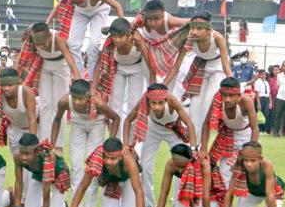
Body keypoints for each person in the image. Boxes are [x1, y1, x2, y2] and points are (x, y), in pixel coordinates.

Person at [123, 83, 198, 207]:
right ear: (148, 101)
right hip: (153, 129)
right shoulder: (143, 102)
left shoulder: (172, 101)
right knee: (145, 166)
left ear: (165, 100)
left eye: (160, 103)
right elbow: (128, 120)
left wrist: (193, 148)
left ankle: (179, 206)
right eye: (153, 103)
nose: (156, 107)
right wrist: (126, 145)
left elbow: (189, 124)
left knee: (183, 164)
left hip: (172, 129)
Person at [49, 79, 119, 207]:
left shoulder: (99, 103)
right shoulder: (64, 101)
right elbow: (57, 119)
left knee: (93, 166)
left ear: (89, 97)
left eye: (81, 99)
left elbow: (116, 118)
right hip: (78, 123)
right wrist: (53, 142)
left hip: (97, 124)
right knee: (76, 166)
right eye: (74, 98)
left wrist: (111, 141)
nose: (76, 102)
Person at [166, 11, 232, 142]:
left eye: (199, 28)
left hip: (217, 69)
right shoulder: (189, 39)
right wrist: (163, 85)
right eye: (193, 27)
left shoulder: (217, 38)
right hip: (200, 68)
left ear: (208, 30)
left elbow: (226, 66)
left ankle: (202, 146)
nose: (194, 32)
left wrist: (231, 83)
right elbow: (176, 67)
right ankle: (193, 146)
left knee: (208, 102)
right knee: (195, 107)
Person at [46, 0, 124, 79]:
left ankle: (92, 78)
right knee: (72, 44)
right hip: (80, 13)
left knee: (94, 44)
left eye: (79, 0)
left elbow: (117, 5)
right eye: (74, 1)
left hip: (99, 11)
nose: (77, 2)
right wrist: (46, 23)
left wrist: (121, 26)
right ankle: (79, 78)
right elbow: (57, 8)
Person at [19, 23, 80, 141]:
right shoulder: (31, 36)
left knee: (58, 105)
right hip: (45, 67)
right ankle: (43, 140)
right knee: (45, 104)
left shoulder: (58, 40)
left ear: (49, 37)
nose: (41, 47)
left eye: (44, 44)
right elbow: (22, 55)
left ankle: (58, 143)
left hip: (61, 68)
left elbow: (70, 60)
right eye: (38, 44)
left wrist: (77, 78)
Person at [92, 17, 157, 125]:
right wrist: (93, 87)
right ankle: (115, 139)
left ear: (129, 35)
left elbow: (150, 66)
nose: (117, 40)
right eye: (114, 36)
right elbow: (100, 64)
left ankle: (131, 141)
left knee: (134, 104)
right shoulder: (109, 43)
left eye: (121, 36)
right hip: (119, 69)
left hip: (137, 69)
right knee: (114, 105)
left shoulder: (137, 41)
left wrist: (153, 89)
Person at [68, 137, 145, 207]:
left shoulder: (128, 159)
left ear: (120, 157)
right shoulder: (97, 158)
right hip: (111, 181)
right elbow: (83, 187)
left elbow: (138, 190)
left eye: (113, 159)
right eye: (106, 158)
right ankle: (119, 203)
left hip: (128, 181)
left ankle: (126, 202)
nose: (109, 162)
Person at [201, 78, 260, 185]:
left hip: (245, 136)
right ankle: (226, 200)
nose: (227, 99)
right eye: (225, 95)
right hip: (227, 137)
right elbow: (206, 124)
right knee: (225, 173)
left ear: (239, 95)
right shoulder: (217, 101)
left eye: (232, 96)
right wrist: (203, 148)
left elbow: (255, 128)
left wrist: (251, 149)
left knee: (245, 172)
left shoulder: (246, 102)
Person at [218, 141, 285, 207]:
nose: (249, 164)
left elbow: (270, 195)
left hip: (273, 192)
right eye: (246, 160)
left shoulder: (267, 165)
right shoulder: (238, 164)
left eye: (253, 161)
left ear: (260, 158)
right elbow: (230, 192)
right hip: (251, 192)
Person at [154, 144, 224, 207]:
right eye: (177, 166)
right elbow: (164, 192)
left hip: (209, 190)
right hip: (189, 188)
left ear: (190, 160)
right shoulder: (171, 164)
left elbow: (206, 194)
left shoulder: (203, 164)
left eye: (182, 167)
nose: (179, 171)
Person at [0, 67, 38, 159]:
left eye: (10, 85)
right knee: (18, 161)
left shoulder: (26, 92)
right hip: (15, 129)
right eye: (4, 85)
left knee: (31, 164)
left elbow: (32, 120)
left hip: (35, 128)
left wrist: (32, 142)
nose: (6, 88)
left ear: (18, 83)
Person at [13, 133, 70, 207]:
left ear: (36, 152)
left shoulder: (47, 157)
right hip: (39, 175)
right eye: (22, 153)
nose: (24, 157)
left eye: (27, 154)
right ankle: (52, 199)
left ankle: (62, 203)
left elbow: (46, 185)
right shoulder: (18, 157)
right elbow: (18, 182)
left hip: (58, 176)